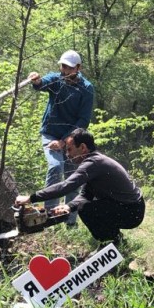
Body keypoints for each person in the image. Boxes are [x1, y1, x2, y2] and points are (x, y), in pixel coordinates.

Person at [15, 129, 145, 242]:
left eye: (70, 149)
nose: (67, 154)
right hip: (132, 208)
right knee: (86, 206)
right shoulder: (95, 162)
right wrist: (68, 206)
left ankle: (110, 243)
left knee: (86, 209)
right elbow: (86, 194)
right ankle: (115, 240)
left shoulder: (93, 163)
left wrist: (31, 198)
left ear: (83, 147)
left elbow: (66, 186)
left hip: (132, 211)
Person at [28, 50, 95, 225]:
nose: (64, 70)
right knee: (56, 167)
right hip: (50, 134)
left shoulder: (86, 88)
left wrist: (65, 141)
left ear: (78, 68)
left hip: (71, 138)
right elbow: (43, 84)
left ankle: (70, 221)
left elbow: (83, 120)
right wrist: (37, 80)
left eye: (68, 67)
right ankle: (48, 218)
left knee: (73, 178)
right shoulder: (56, 79)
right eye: (62, 66)